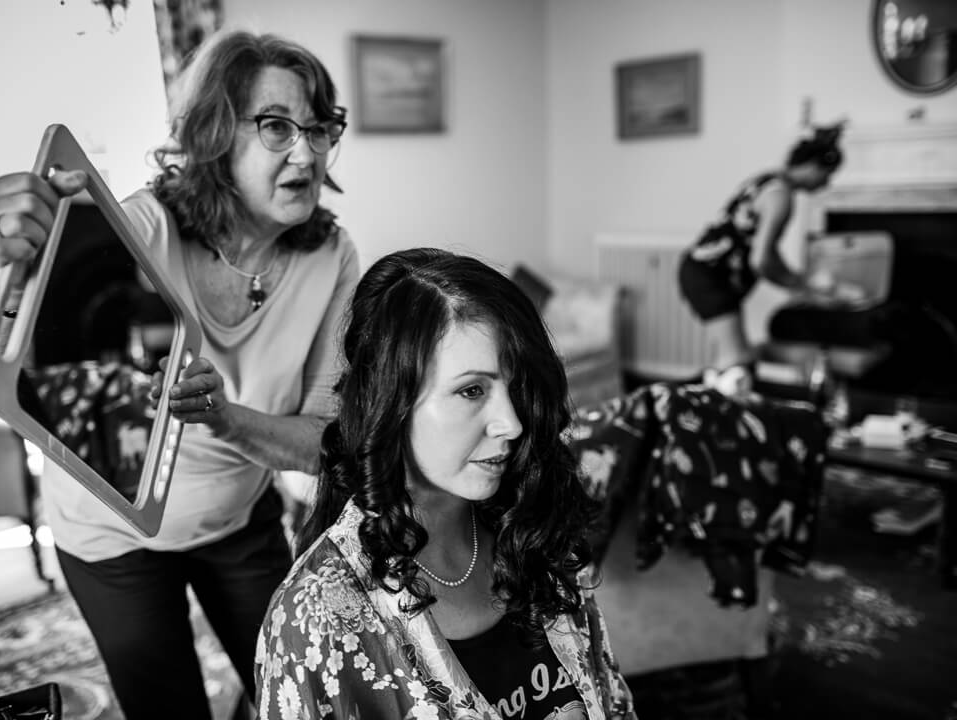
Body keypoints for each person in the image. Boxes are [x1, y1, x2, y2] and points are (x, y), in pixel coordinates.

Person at [0, 30, 360, 719]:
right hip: (111, 538)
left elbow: (326, 442)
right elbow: (1, 364)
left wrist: (223, 417)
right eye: (278, 127)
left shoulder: (331, 256)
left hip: (237, 516)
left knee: (305, 695)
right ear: (216, 137)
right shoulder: (138, 228)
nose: (309, 152)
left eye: (320, 129)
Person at [255, 248, 636, 719]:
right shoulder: (317, 616)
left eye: (515, 388)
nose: (511, 424)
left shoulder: (537, 532)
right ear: (390, 400)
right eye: (471, 390)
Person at [678, 122, 865, 399]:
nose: (827, 183)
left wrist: (800, 282)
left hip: (706, 272)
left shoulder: (767, 182)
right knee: (736, 360)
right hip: (709, 276)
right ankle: (693, 412)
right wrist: (804, 285)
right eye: (827, 174)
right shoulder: (781, 197)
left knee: (731, 358)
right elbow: (761, 260)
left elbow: (759, 250)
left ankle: (705, 411)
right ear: (813, 166)